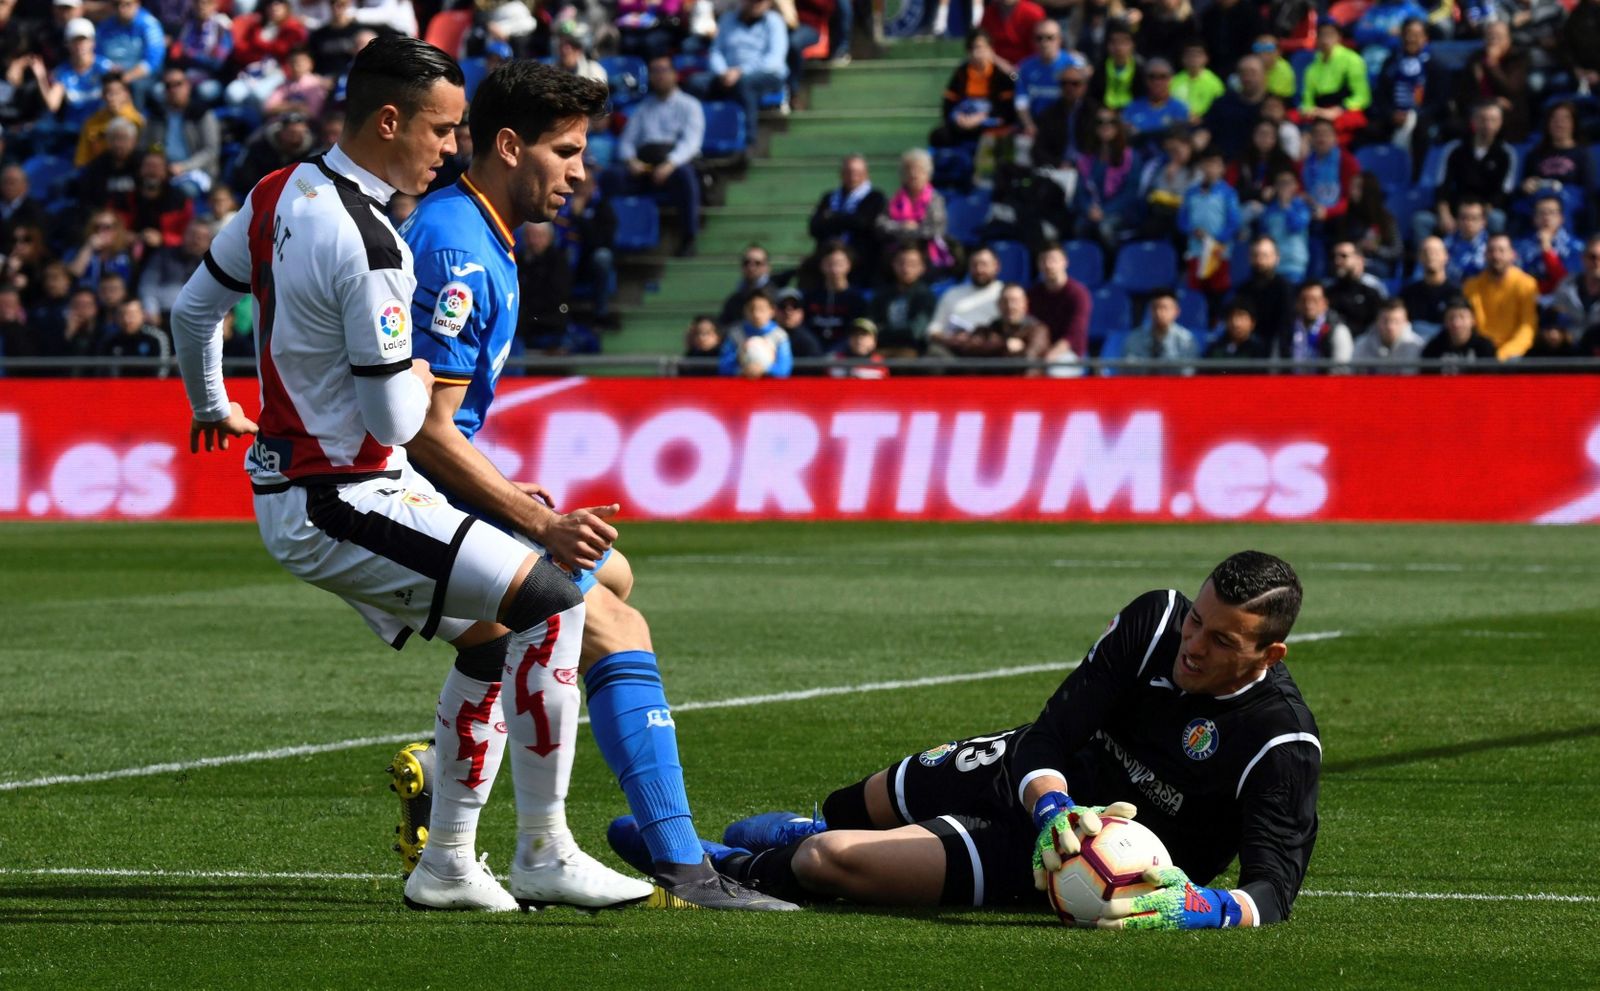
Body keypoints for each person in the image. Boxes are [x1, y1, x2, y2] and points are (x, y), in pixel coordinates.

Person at [168, 36, 641, 915]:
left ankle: (450, 863)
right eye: (443, 130)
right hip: (341, 497)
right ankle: (543, 847)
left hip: (318, 487)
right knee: (556, 597)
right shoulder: (379, 245)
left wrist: (209, 402)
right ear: (390, 121)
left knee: (493, 635)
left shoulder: (277, 192)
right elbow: (396, 423)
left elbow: (194, 308)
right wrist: (418, 374)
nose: (453, 149)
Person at [389, 60, 786, 912]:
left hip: (422, 487)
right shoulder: (458, 246)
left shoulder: (479, 234)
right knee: (607, 617)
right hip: (390, 503)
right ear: (506, 145)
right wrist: (521, 507)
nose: (579, 172)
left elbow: (436, 422)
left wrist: (506, 488)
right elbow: (421, 433)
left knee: (611, 576)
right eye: (565, 151)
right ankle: (684, 868)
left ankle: (454, 760)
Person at [611, 552, 1321, 930]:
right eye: (1197, 619)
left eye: (1220, 639)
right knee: (857, 803)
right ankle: (806, 826)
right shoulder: (1156, 620)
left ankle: (736, 864)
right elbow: (1050, 734)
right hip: (1044, 784)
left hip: (1079, 859)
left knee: (830, 861)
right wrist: (1050, 807)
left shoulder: (1279, 740)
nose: (1192, 645)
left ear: (1271, 654)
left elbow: (1273, 889)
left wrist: (1205, 907)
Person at [610, 55, 704, 257]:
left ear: (674, 74)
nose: (659, 76)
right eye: (654, 71)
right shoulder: (643, 108)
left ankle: (689, 237)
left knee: (686, 176)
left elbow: (691, 143)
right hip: (644, 166)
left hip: (674, 164)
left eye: (663, 70)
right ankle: (614, 239)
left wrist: (669, 164)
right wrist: (631, 161)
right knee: (613, 177)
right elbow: (626, 142)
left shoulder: (690, 105)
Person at [693, 0, 789, 146]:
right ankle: (696, 143)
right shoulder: (727, 19)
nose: (755, 4)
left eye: (760, 2)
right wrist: (722, 72)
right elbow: (716, 51)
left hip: (766, 75)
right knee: (695, 84)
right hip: (727, 74)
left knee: (745, 84)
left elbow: (774, 60)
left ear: (768, 3)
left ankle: (749, 142)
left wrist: (741, 71)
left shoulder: (775, 22)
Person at [1424, 102, 1515, 246]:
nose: (1487, 124)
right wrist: (1444, 213)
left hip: (1486, 210)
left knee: (1497, 219)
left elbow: (1504, 192)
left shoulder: (1506, 153)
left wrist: (1477, 217)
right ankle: (1425, 266)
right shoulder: (1454, 149)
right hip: (1456, 207)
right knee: (1422, 220)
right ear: (1474, 121)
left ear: (1500, 123)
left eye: (1493, 120)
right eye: (1483, 119)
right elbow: (1442, 185)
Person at [1367, 18, 1448, 169]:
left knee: (1422, 133)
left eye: (1416, 35)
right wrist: (1391, 113)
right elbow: (1381, 95)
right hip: (1392, 117)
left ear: (1425, 38)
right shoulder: (1391, 63)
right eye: (1407, 34)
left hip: (1423, 118)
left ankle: (1415, 179)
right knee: (1370, 131)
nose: (1411, 39)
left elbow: (1439, 100)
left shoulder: (1435, 66)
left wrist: (1414, 116)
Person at [875, 148, 954, 280]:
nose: (913, 174)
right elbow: (880, 226)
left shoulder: (935, 199)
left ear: (927, 174)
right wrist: (904, 226)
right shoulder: (894, 199)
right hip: (896, 253)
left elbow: (934, 230)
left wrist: (903, 230)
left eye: (919, 170)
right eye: (908, 170)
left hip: (926, 253)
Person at [930, 30, 1015, 148]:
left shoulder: (1000, 72)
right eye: (971, 48)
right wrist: (959, 118)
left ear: (990, 48)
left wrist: (981, 117)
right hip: (964, 118)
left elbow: (1008, 104)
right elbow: (949, 100)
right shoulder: (962, 71)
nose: (976, 53)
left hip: (989, 118)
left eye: (980, 47)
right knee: (939, 136)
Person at [808, 154, 885, 280]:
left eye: (857, 172)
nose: (852, 176)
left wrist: (833, 217)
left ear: (866, 174)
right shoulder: (829, 197)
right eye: (848, 172)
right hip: (828, 259)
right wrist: (848, 219)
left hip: (862, 263)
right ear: (841, 174)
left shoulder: (875, 197)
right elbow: (814, 227)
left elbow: (863, 223)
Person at [1295, 21, 1369, 145]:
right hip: (1320, 115)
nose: (1325, 40)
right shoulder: (1311, 68)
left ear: (1339, 38)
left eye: (1330, 35)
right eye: (1322, 35)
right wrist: (1311, 110)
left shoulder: (1353, 60)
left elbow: (1362, 97)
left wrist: (1339, 110)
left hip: (1343, 112)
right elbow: (1307, 100)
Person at [1462, 234, 1536, 359]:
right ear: (1485, 255)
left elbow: (1528, 327)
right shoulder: (1471, 286)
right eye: (1491, 251)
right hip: (1480, 350)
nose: (1496, 256)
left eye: (1501, 250)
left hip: (1513, 352)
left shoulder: (1526, 284)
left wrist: (1504, 354)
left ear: (1512, 254)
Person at [943, 282, 1050, 363]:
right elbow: (968, 348)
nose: (1010, 306)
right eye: (1005, 301)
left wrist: (989, 350)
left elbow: (1029, 358)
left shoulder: (1038, 330)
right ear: (998, 305)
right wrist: (1004, 345)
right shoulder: (989, 329)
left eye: (1015, 301)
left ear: (1025, 304)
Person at [1233, 237, 1296, 357]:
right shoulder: (1243, 290)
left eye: (1265, 255)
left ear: (1276, 258)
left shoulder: (1285, 289)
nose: (1260, 260)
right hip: (1248, 350)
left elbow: (1286, 327)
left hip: (1276, 350)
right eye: (1255, 255)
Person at [870, 244, 936, 357]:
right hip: (880, 348)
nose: (906, 268)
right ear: (893, 264)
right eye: (901, 263)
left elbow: (915, 331)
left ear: (922, 268)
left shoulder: (925, 296)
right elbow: (870, 326)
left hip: (914, 351)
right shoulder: (882, 294)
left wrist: (883, 331)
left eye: (912, 264)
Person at [1027, 244, 1090, 362]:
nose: (1048, 265)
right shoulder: (1033, 294)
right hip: (1038, 349)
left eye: (1053, 260)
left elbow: (1074, 334)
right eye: (1043, 260)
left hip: (1069, 352)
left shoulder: (1078, 294)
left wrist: (1051, 355)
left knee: (1054, 371)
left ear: (1065, 262)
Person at [802, 241, 868, 351]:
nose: (834, 269)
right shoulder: (810, 297)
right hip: (814, 353)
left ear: (849, 265)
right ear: (821, 265)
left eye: (839, 264)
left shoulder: (857, 299)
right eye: (829, 263)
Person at [927, 246, 1002, 340]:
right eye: (974, 265)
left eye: (984, 264)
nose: (979, 270)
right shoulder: (952, 294)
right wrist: (950, 339)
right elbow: (935, 329)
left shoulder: (1006, 295)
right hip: (954, 349)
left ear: (996, 266)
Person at [1515, 194, 1579, 301]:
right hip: (1528, 298)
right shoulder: (1521, 246)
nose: (1546, 217)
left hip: (1564, 303)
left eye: (1552, 213)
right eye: (1541, 213)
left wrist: (1547, 250)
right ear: (1534, 218)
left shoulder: (1575, 247)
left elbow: (1566, 282)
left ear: (1561, 218)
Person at [1013, 21, 1071, 138]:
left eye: (1050, 38)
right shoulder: (1025, 67)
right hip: (1035, 126)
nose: (1044, 43)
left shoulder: (1071, 65)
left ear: (1059, 39)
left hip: (1064, 126)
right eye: (1039, 38)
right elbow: (1021, 101)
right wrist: (1029, 125)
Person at [720, 288, 794, 378]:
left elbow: (784, 370)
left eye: (761, 309)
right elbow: (724, 367)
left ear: (772, 311)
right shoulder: (735, 334)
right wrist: (741, 371)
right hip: (741, 387)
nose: (756, 314)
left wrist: (765, 369)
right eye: (752, 309)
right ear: (745, 310)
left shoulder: (780, 336)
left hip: (771, 388)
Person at [1323, 240, 1389, 338]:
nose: (1337, 261)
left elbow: (1382, 319)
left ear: (1359, 259)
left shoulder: (1372, 287)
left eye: (1343, 256)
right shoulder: (1328, 289)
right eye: (1334, 256)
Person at [1257, 171, 1311, 284]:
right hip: (1272, 264)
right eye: (1281, 183)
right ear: (1275, 187)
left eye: (1288, 183)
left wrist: (1286, 206)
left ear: (1296, 186)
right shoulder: (1269, 209)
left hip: (1294, 264)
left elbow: (1295, 226)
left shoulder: (1301, 207)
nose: (1284, 187)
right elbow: (1264, 235)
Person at [1122, 288, 1197, 368]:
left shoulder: (1186, 340)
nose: (1159, 313)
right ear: (1149, 310)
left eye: (1165, 308)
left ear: (1176, 311)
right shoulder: (1135, 338)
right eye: (1155, 308)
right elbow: (1127, 369)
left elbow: (1188, 372)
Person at [1122, 60, 1189, 148]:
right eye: (1152, 77)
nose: (1157, 82)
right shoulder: (1131, 107)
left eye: (1163, 77)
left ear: (1171, 79)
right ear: (1145, 80)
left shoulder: (1180, 108)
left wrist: (1141, 132)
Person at [1420, 296, 1498, 370]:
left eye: (1462, 317)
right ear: (1445, 321)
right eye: (1451, 317)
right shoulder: (1434, 348)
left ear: (1473, 320)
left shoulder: (1485, 348)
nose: (1456, 323)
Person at [98, 297, 170, 376]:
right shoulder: (110, 340)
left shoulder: (156, 337)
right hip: (117, 387)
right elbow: (102, 372)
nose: (126, 319)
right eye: (122, 315)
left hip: (151, 386)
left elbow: (163, 370)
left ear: (142, 315)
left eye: (131, 314)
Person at [1288, 281, 1353, 369]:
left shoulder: (1338, 330)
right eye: (1304, 300)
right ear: (1297, 303)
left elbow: (1341, 369)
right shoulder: (1287, 329)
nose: (1309, 305)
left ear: (1325, 303)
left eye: (1315, 300)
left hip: (1325, 382)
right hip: (1290, 382)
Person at [1400, 236, 1459, 334]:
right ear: (1419, 257)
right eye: (1425, 252)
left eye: (1436, 252)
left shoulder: (1456, 293)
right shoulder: (1408, 293)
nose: (1430, 256)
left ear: (1446, 256)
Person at [1352, 297, 1426, 369]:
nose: (1390, 327)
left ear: (1405, 322)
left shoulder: (1417, 346)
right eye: (1385, 321)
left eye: (1396, 321)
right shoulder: (1362, 345)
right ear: (1377, 321)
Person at [977, 0, 1045, 75]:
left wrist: (1019, 70)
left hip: (1029, 70)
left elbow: (1040, 47)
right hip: (995, 68)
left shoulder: (1033, 13)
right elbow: (983, 43)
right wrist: (1002, 65)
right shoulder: (989, 13)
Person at [1551, 234, 1600, 331]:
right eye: (1592, 257)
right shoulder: (1565, 286)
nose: (1597, 262)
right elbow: (1555, 322)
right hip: (1571, 342)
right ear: (1583, 258)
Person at [1202, 301, 1269, 369]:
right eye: (1231, 317)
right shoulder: (1214, 348)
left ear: (1252, 322)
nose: (1236, 323)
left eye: (1241, 317)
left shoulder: (1259, 350)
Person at [1171, 38, 1223, 119]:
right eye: (1189, 55)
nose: (1194, 59)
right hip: (1178, 123)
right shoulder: (1173, 81)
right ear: (1183, 59)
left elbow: (1220, 109)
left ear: (1206, 58)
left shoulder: (1215, 83)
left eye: (1198, 55)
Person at [1442, 198, 1489, 283]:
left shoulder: (1492, 246)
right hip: (1451, 292)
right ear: (1457, 220)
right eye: (1464, 218)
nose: (1468, 223)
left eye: (1474, 218)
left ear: (1483, 221)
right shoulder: (1445, 244)